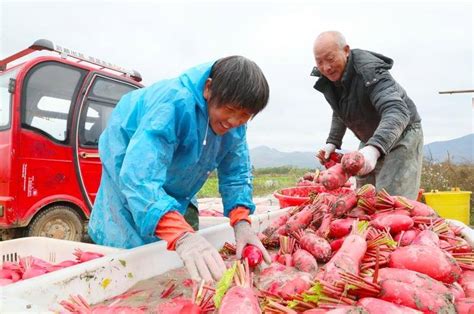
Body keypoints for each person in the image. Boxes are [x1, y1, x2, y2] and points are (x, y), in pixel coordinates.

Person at [88, 56, 272, 282]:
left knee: (171, 242)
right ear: (208, 88)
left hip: (176, 178)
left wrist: (242, 222)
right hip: (129, 164)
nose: (233, 121)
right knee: (129, 250)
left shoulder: (235, 126)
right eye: (230, 109)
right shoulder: (173, 104)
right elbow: (139, 177)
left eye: (244, 116)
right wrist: (183, 236)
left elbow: (236, 173)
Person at [311, 31, 423, 199]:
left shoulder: (370, 71)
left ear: (346, 50)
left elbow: (397, 111)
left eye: (331, 59)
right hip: (371, 137)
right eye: (319, 62)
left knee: (390, 202)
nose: (326, 67)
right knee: (364, 199)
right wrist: (332, 142)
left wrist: (374, 149)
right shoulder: (332, 79)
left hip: (401, 134)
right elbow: (340, 109)